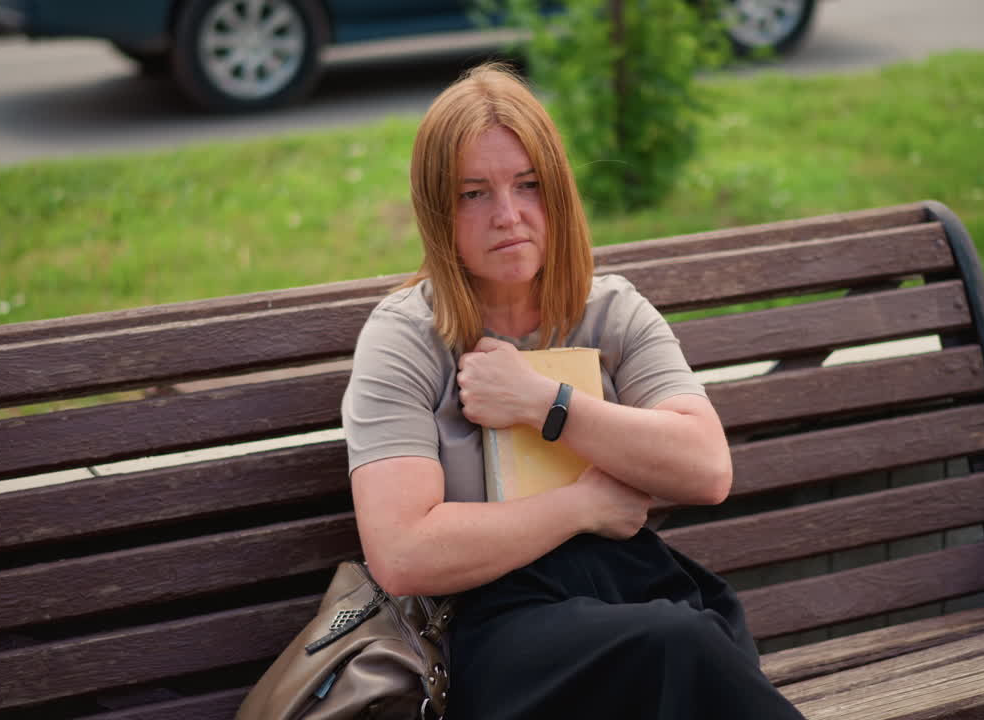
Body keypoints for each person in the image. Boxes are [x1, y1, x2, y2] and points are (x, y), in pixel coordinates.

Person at [341, 62, 805, 719]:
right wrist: (582, 507)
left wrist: (545, 404)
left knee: (688, 638)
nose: (508, 215)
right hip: (501, 626)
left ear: (557, 191)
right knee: (681, 647)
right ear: (438, 211)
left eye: (527, 185)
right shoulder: (406, 340)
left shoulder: (610, 311)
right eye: (474, 193)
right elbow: (403, 553)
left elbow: (706, 467)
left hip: (641, 589)